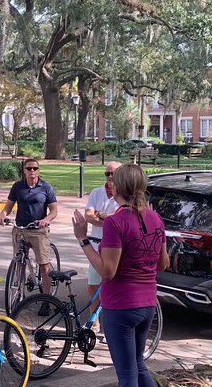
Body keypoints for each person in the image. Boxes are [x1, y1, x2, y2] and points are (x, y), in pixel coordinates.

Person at [72, 164, 169, 387]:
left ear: (117, 188)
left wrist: (83, 240)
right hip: (147, 305)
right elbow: (163, 264)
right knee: (138, 365)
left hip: (121, 306)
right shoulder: (156, 218)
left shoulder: (115, 222)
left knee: (126, 376)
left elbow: (107, 271)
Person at [0, 158, 58, 314]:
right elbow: (8, 207)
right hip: (20, 229)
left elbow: (54, 211)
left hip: (38, 231)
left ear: (39, 170)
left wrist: (46, 220)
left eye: (35, 168)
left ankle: (46, 300)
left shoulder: (46, 187)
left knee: (44, 265)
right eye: (29, 168)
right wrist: (2, 215)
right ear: (24, 170)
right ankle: (18, 295)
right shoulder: (17, 186)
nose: (32, 171)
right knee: (19, 263)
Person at [84, 161, 122, 334]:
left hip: (116, 247)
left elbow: (124, 219)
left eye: (113, 173)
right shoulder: (97, 193)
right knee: (93, 284)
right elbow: (88, 216)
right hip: (96, 244)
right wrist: (110, 219)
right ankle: (95, 321)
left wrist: (105, 217)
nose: (110, 177)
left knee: (114, 287)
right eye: (107, 173)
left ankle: (109, 326)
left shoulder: (124, 195)